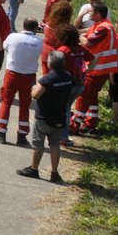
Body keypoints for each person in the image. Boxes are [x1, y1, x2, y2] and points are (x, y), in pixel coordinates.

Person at [18, 50, 75, 184]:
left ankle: (34, 169)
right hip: (60, 117)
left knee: (38, 144)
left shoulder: (47, 79)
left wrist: (33, 87)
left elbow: (35, 96)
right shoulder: (68, 77)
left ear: (50, 64)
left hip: (44, 118)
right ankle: (54, 173)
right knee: (55, 144)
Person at [69, 2, 117, 133]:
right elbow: (88, 35)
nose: (89, 14)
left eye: (91, 12)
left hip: (97, 68)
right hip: (100, 67)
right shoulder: (103, 25)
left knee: (84, 96)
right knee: (91, 95)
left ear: (98, 14)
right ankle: (91, 122)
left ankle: (74, 125)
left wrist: (76, 34)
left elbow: (88, 43)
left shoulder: (103, 28)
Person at [0, 18, 44, 145]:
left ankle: (1, 132)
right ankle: (22, 136)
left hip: (12, 74)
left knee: (6, 102)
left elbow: (5, 46)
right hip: (29, 77)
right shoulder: (40, 41)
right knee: (25, 105)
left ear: (23, 25)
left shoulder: (13, 37)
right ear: (35, 28)